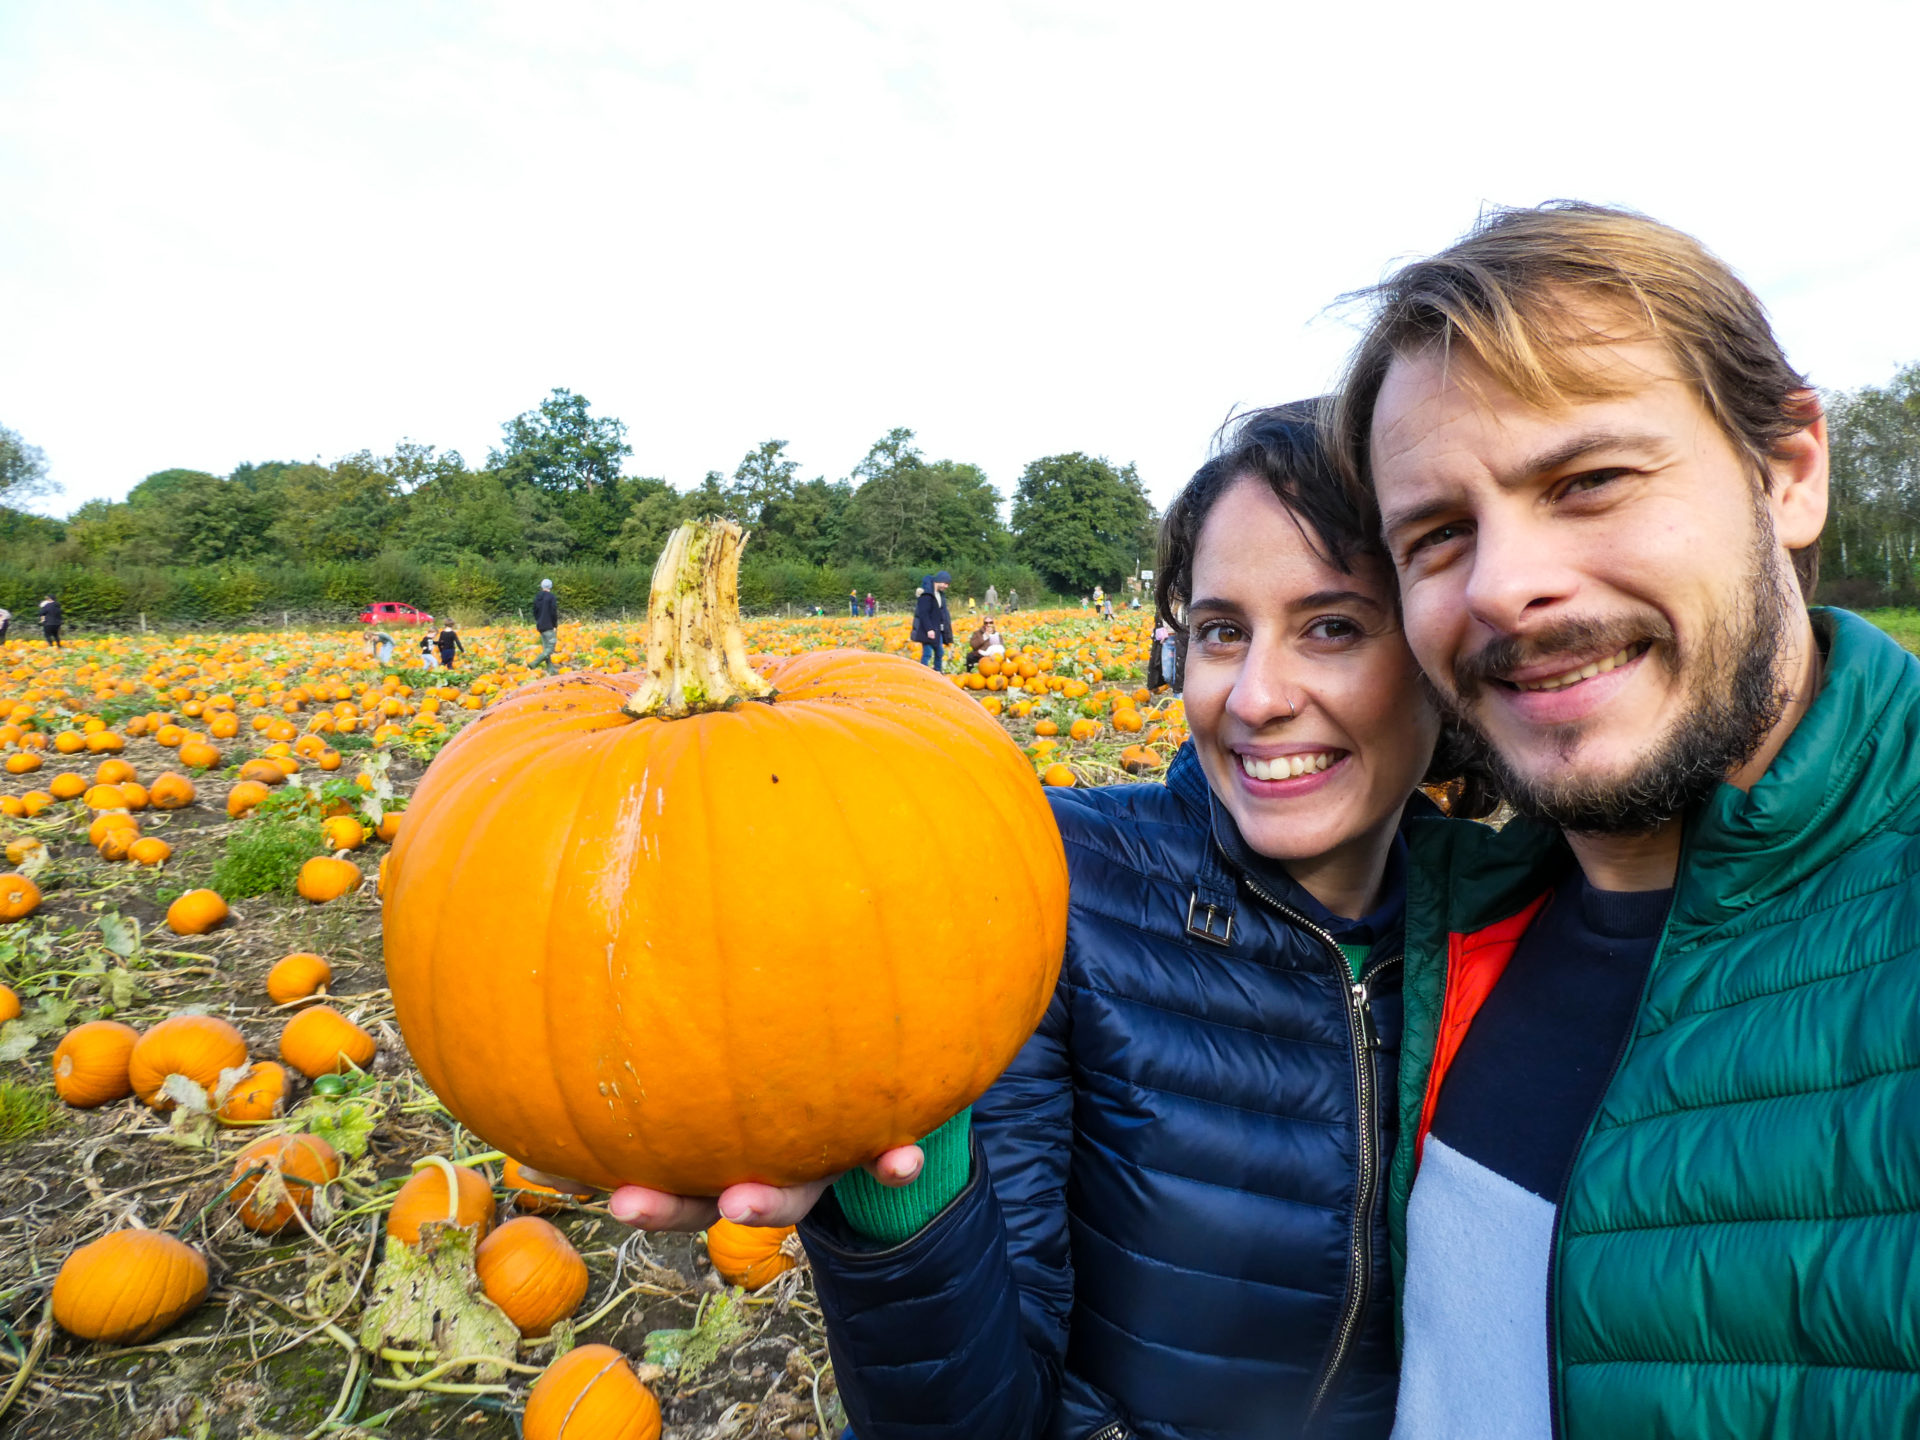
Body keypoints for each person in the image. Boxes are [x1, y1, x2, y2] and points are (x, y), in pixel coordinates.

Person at [594, 403, 1468, 1437]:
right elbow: (979, 1416)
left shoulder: (1527, 917)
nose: (1257, 696)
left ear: (1438, 645)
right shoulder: (1048, 884)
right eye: (1222, 632)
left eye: (1332, 627)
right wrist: (895, 1184)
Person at [1335, 202, 1920, 1437]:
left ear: (1790, 474)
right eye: (1437, 537)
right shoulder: (1441, 925)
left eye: (1590, 481)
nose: (1503, 586)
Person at [913, 569, 953, 671]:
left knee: (940, 652)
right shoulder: (926, 594)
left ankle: (938, 672)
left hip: (938, 629)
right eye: (945, 583)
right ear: (939, 580)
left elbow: (942, 612)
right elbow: (923, 614)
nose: (946, 586)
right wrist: (929, 629)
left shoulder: (940, 594)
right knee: (927, 653)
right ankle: (923, 673)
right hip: (928, 629)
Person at [533, 579, 559, 669]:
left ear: (542, 586)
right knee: (551, 647)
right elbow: (553, 612)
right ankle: (535, 663)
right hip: (549, 625)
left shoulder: (537, 597)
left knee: (546, 648)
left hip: (540, 625)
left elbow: (535, 611)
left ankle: (550, 669)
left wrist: (538, 620)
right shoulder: (551, 597)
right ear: (550, 586)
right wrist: (555, 624)